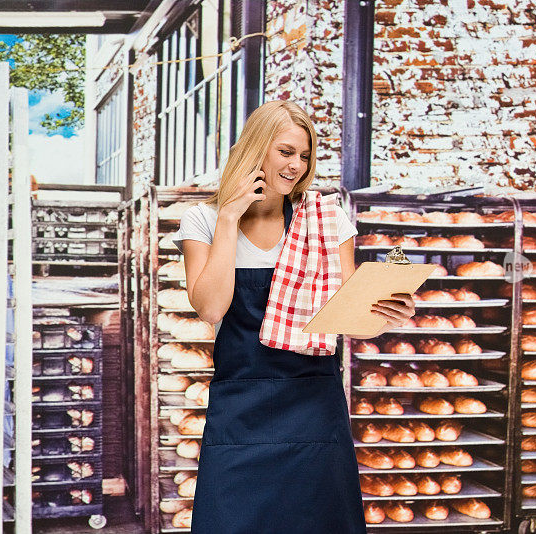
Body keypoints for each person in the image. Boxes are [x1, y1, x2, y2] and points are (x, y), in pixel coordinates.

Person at [173, 100, 416, 533]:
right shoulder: (205, 220)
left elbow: (345, 312)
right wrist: (229, 216)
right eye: (286, 152)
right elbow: (210, 307)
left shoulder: (326, 219)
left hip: (312, 402)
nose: (296, 166)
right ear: (255, 149)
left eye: (304, 156)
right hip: (241, 406)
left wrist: (386, 310)